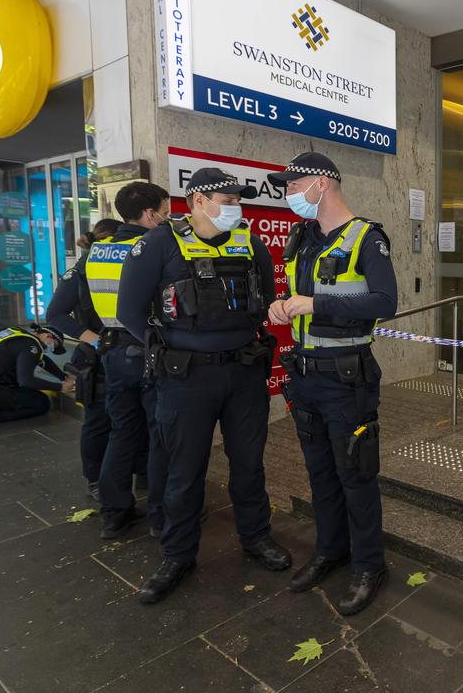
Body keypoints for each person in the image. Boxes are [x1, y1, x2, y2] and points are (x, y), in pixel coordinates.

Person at [117, 168, 289, 604]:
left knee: (249, 465)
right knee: (184, 470)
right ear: (197, 201)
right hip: (186, 378)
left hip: (244, 374)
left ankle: (256, 538)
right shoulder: (159, 243)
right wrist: (169, 347)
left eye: (238, 199)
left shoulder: (251, 243)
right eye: (226, 199)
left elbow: (266, 300)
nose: (235, 206)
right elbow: (130, 311)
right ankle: (177, 554)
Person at [267, 151, 397, 616]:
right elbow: (297, 298)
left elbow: (385, 301)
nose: (288, 195)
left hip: (347, 378)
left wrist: (314, 304)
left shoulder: (367, 237)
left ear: (322, 184)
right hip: (304, 375)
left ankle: (368, 565)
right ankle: (330, 550)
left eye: (293, 185)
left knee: (355, 474)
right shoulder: (303, 237)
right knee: (320, 474)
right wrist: (282, 306)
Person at [85, 182, 171, 540]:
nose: (167, 219)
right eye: (165, 212)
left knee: (122, 433)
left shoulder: (96, 252)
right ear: (150, 214)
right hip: (150, 349)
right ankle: (161, 516)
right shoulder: (153, 248)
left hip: (114, 352)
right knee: (159, 436)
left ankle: (114, 512)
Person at [46, 218, 120, 500]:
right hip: (96, 359)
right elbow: (55, 315)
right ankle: (95, 479)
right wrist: (96, 339)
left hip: (127, 354)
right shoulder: (79, 272)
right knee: (98, 421)